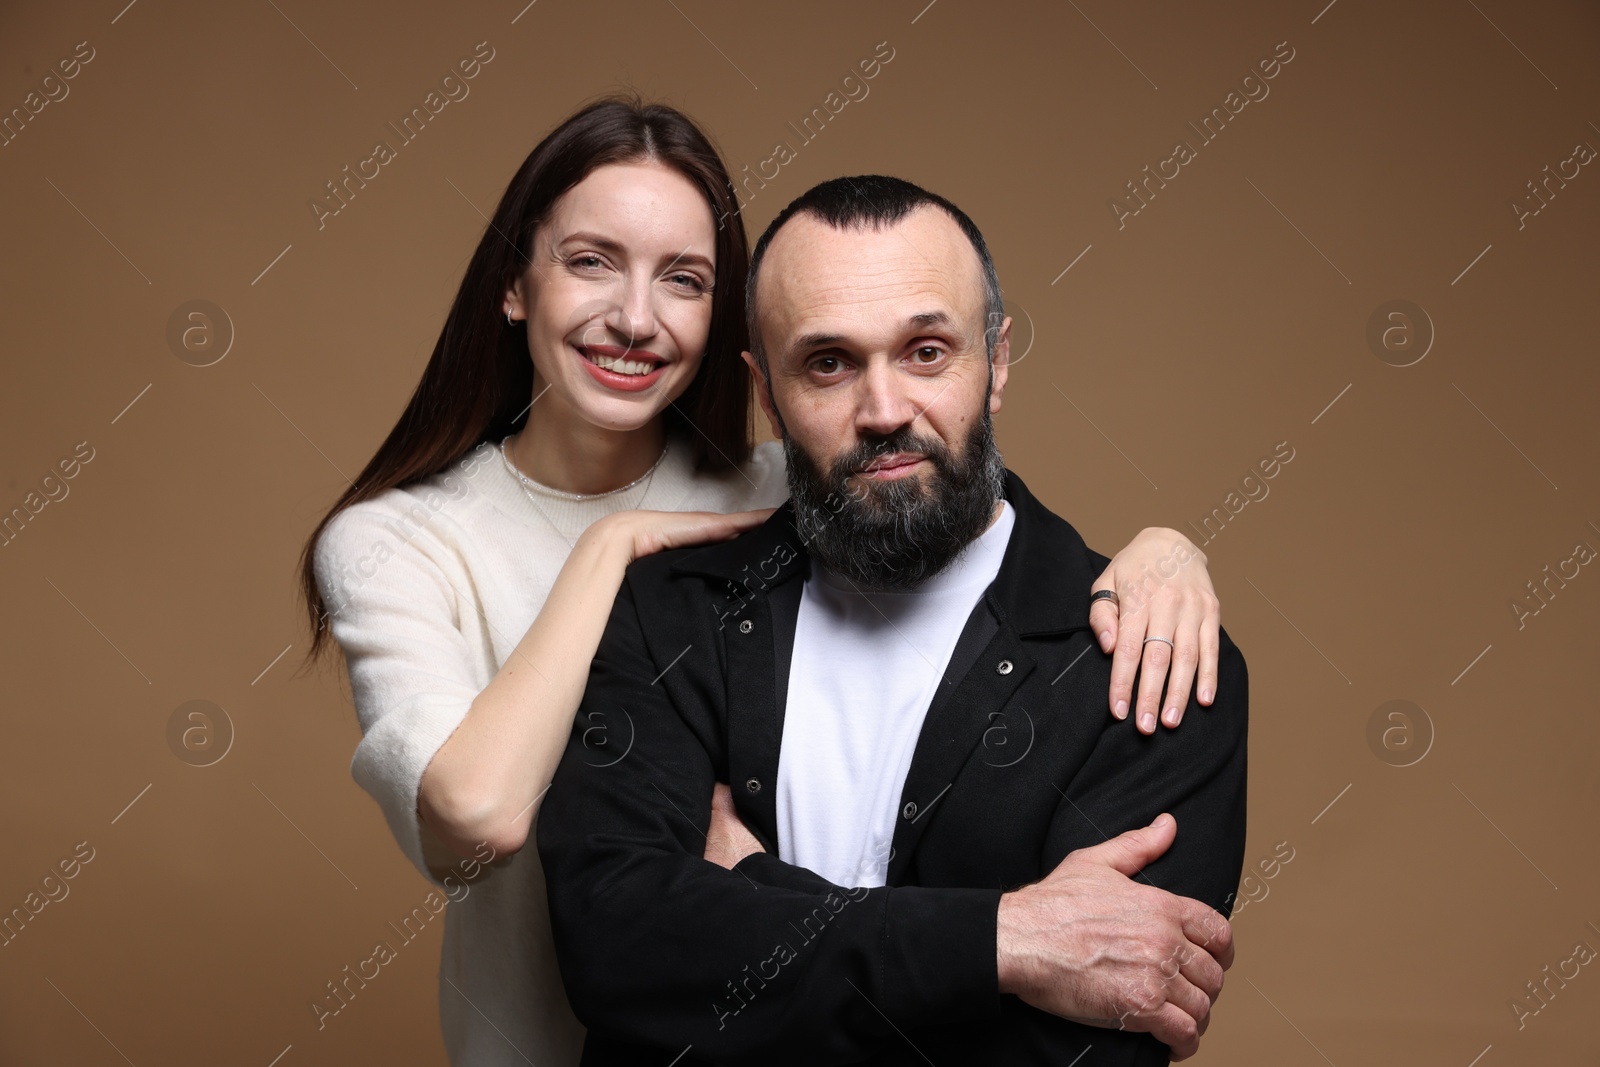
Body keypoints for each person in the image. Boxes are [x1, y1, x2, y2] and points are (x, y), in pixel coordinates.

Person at [301, 99, 1228, 1067]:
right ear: (511, 283)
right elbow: (485, 825)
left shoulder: (784, 487)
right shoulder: (409, 542)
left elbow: (959, 495)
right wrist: (607, 549)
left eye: (684, 279)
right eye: (589, 261)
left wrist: (1165, 551)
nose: (633, 316)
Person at [535, 175, 1248, 1065]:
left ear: (996, 361)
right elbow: (621, 954)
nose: (883, 411)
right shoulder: (668, 609)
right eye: (828, 362)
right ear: (767, 391)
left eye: (926, 351)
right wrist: (1005, 942)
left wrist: (754, 888)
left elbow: (1077, 1052)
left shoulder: (1148, 658)